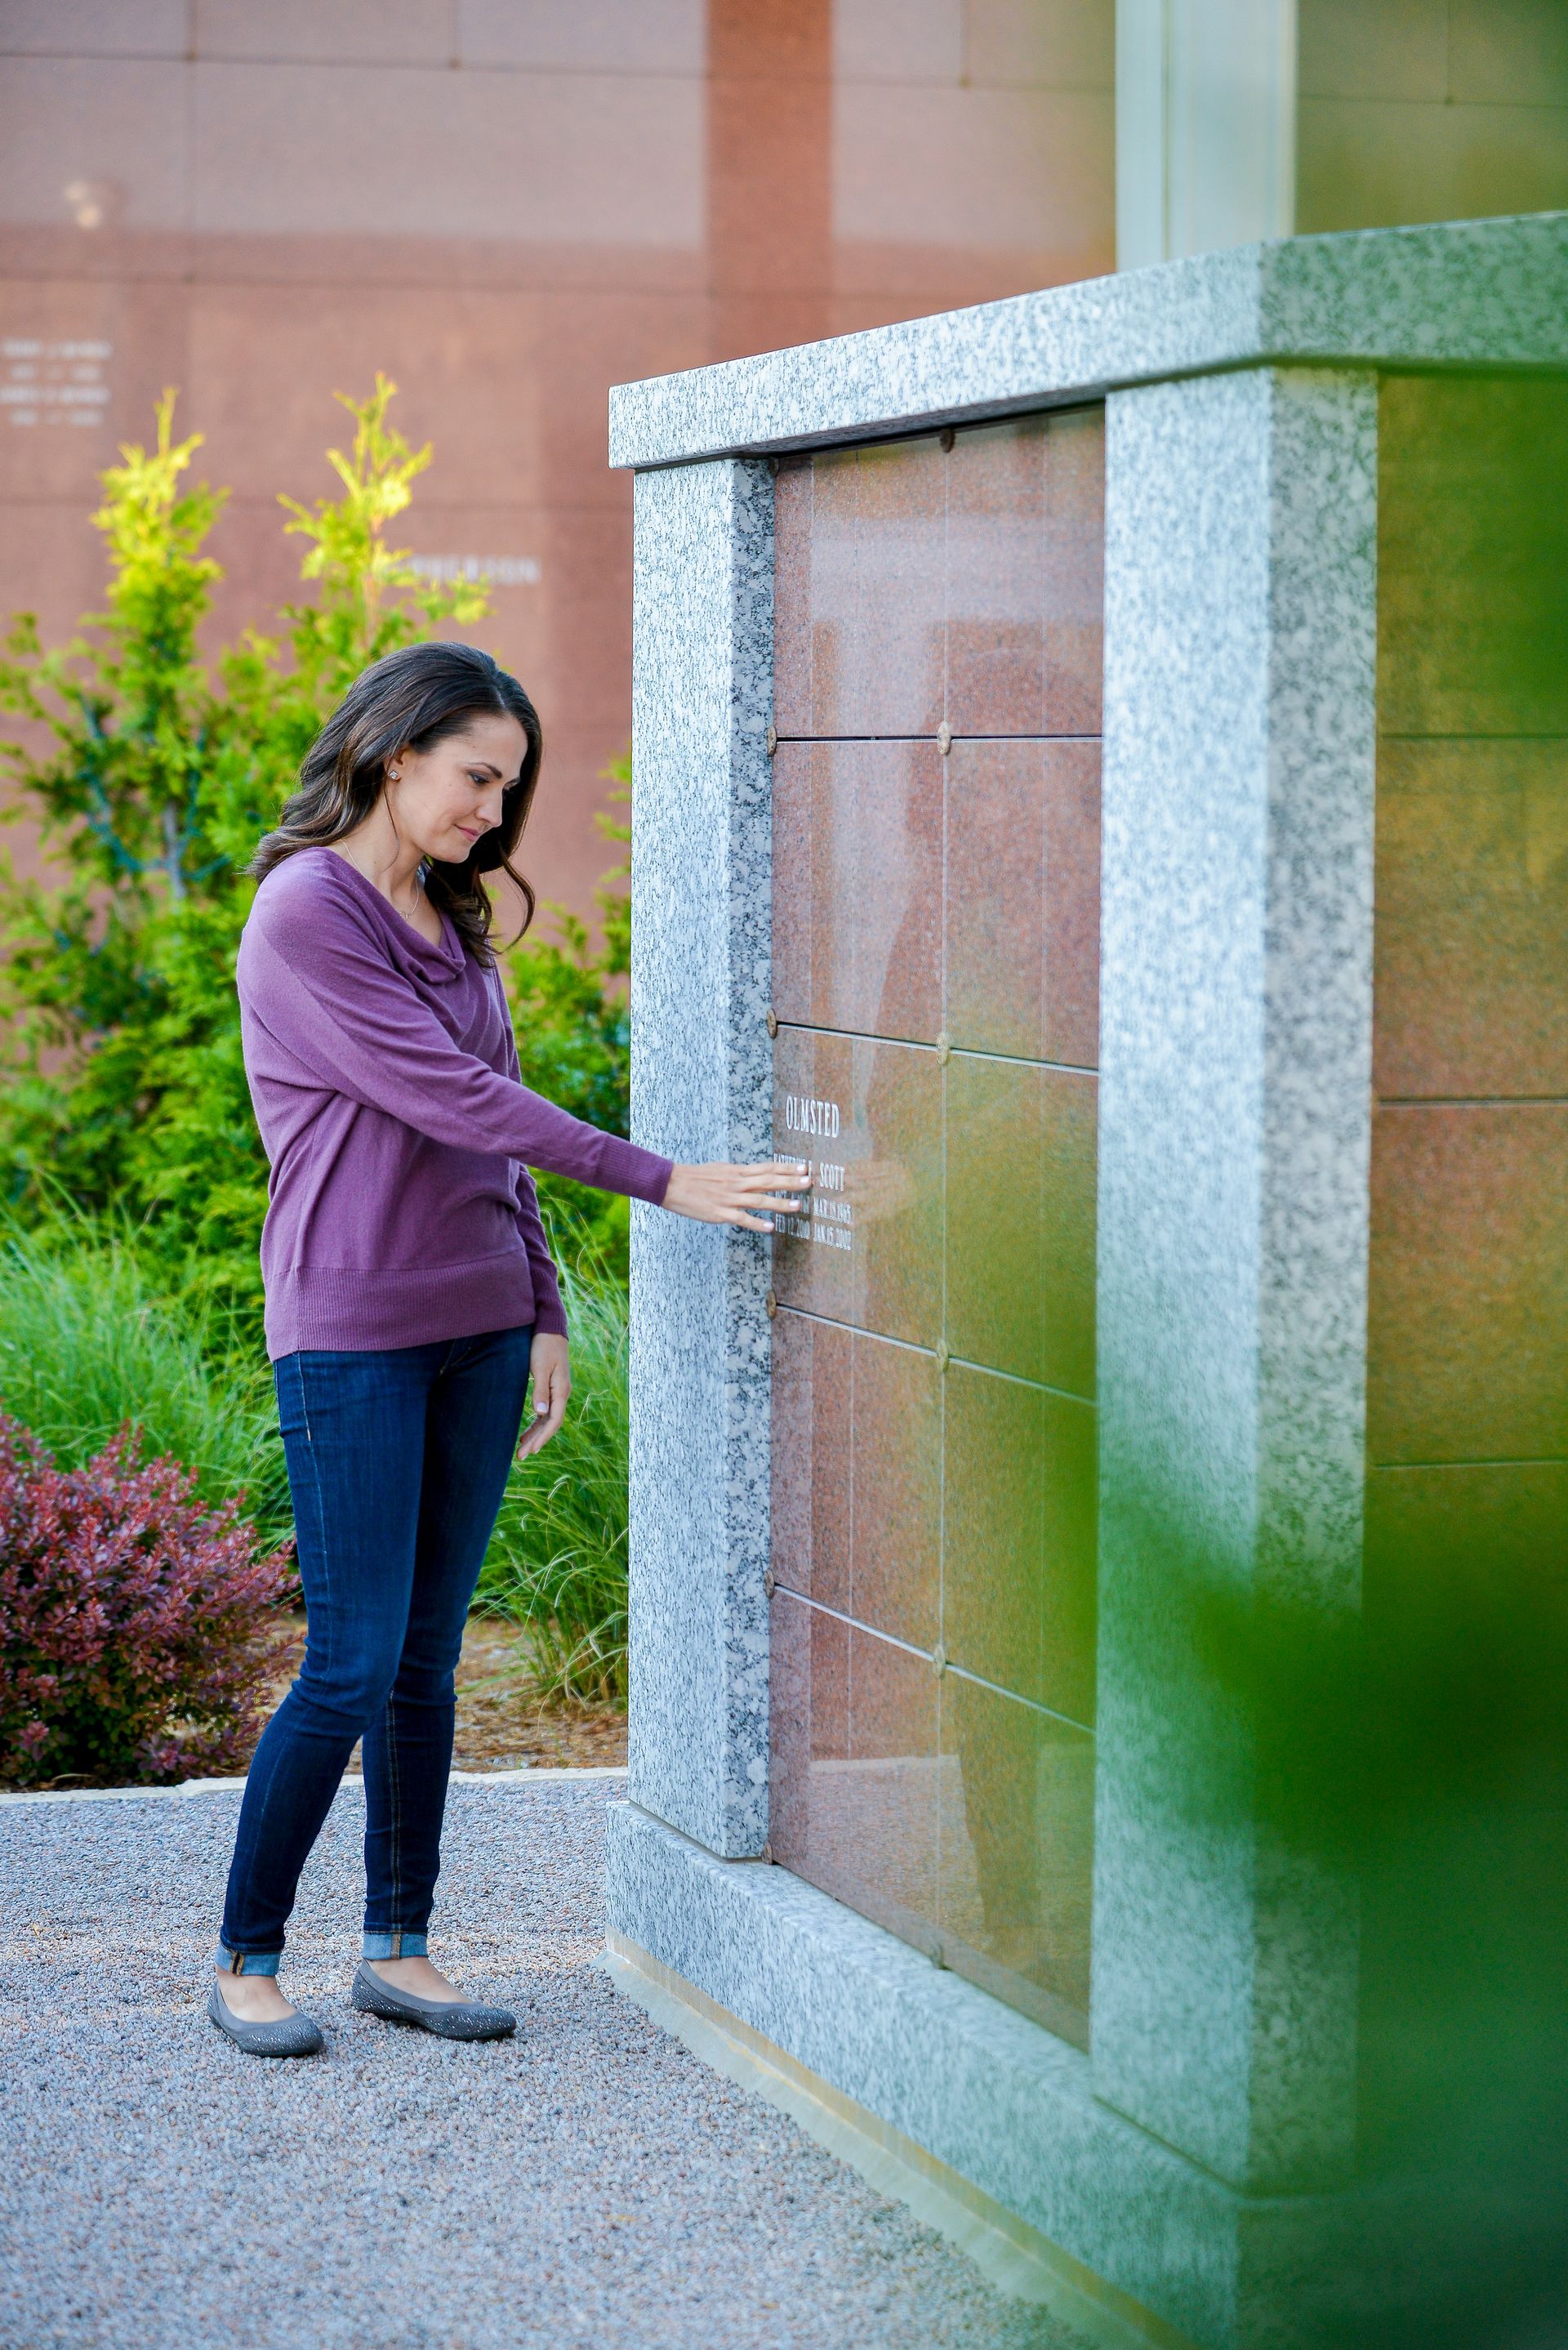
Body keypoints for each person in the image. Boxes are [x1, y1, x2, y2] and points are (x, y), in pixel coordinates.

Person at [208, 640, 806, 2057]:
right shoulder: (305, 916)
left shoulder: (456, 917)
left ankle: (399, 1945)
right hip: (352, 1331)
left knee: (427, 1656)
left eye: (509, 789)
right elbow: (447, 1093)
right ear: (395, 750)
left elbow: (502, 1128)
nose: (492, 811)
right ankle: (245, 1954)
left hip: (478, 1327)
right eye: (478, 777)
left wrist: (539, 1308)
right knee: (348, 1660)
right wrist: (668, 1180)